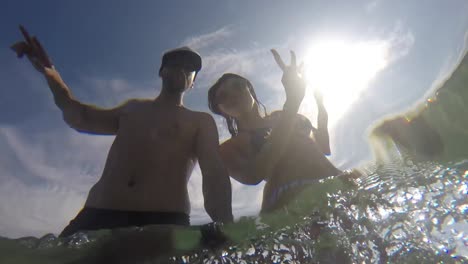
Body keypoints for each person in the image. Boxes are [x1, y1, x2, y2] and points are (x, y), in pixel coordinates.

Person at [11, 26, 233, 237]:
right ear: (161, 71)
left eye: (190, 67)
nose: (183, 68)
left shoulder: (201, 121)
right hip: (98, 216)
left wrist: (227, 226)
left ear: (193, 83)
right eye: (175, 62)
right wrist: (50, 72)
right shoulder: (132, 108)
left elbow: (214, 173)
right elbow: (79, 116)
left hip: (164, 221)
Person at [208, 49, 344, 213]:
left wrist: (319, 102)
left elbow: (323, 147)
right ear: (220, 110)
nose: (233, 95)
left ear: (250, 89)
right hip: (290, 204)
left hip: (338, 187)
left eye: (237, 86)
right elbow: (254, 176)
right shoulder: (228, 148)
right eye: (223, 96)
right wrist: (292, 101)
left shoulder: (283, 116)